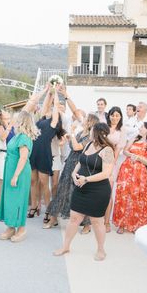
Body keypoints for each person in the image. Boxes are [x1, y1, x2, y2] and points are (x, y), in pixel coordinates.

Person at [53, 122, 115, 260]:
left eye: (92, 131)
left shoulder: (108, 150)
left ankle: (101, 250)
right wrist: (74, 174)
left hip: (98, 191)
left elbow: (106, 173)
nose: (89, 132)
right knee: (74, 219)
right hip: (81, 187)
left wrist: (86, 179)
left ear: (98, 133)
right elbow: (80, 162)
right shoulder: (88, 144)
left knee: (97, 222)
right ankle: (66, 246)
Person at [45, 113, 98, 229]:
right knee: (62, 190)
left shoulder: (90, 136)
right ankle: (53, 219)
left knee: (80, 194)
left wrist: (72, 133)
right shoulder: (80, 133)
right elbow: (72, 145)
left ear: (90, 123)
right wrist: (69, 137)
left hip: (80, 166)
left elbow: (78, 147)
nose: (83, 120)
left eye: (86, 119)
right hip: (70, 163)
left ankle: (87, 225)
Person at [0, 110, 39, 243]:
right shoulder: (17, 135)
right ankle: (10, 227)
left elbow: (23, 158)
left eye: (15, 119)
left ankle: (21, 228)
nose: (12, 121)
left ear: (21, 121)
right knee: (10, 199)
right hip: (10, 170)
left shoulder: (24, 138)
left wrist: (15, 176)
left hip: (19, 173)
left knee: (18, 200)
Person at [113, 122, 147, 233]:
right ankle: (122, 224)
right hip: (126, 169)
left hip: (139, 172)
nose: (140, 128)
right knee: (123, 195)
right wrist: (130, 155)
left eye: (143, 127)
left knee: (136, 196)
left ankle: (135, 223)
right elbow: (125, 150)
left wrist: (138, 157)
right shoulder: (134, 138)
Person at [28, 84, 60, 220]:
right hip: (33, 152)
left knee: (43, 182)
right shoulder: (42, 120)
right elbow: (46, 105)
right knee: (33, 181)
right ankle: (34, 206)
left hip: (44, 154)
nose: (49, 110)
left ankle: (48, 210)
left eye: (52, 110)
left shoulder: (54, 123)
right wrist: (48, 91)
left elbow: (56, 107)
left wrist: (56, 92)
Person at [103, 106, 127, 232]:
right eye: (113, 115)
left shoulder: (122, 130)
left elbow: (118, 148)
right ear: (109, 115)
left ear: (121, 117)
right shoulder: (104, 127)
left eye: (117, 115)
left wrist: (112, 163)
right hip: (100, 159)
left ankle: (106, 222)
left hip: (112, 162)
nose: (115, 117)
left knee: (108, 192)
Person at [0, 109, 14, 217]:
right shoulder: (0, 127)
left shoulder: (11, 125)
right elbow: (3, 137)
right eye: (5, 111)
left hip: (11, 156)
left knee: (8, 185)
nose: (7, 111)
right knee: (2, 185)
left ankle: (5, 210)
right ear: (1, 116)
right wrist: (10, 126)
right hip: (2, 156)